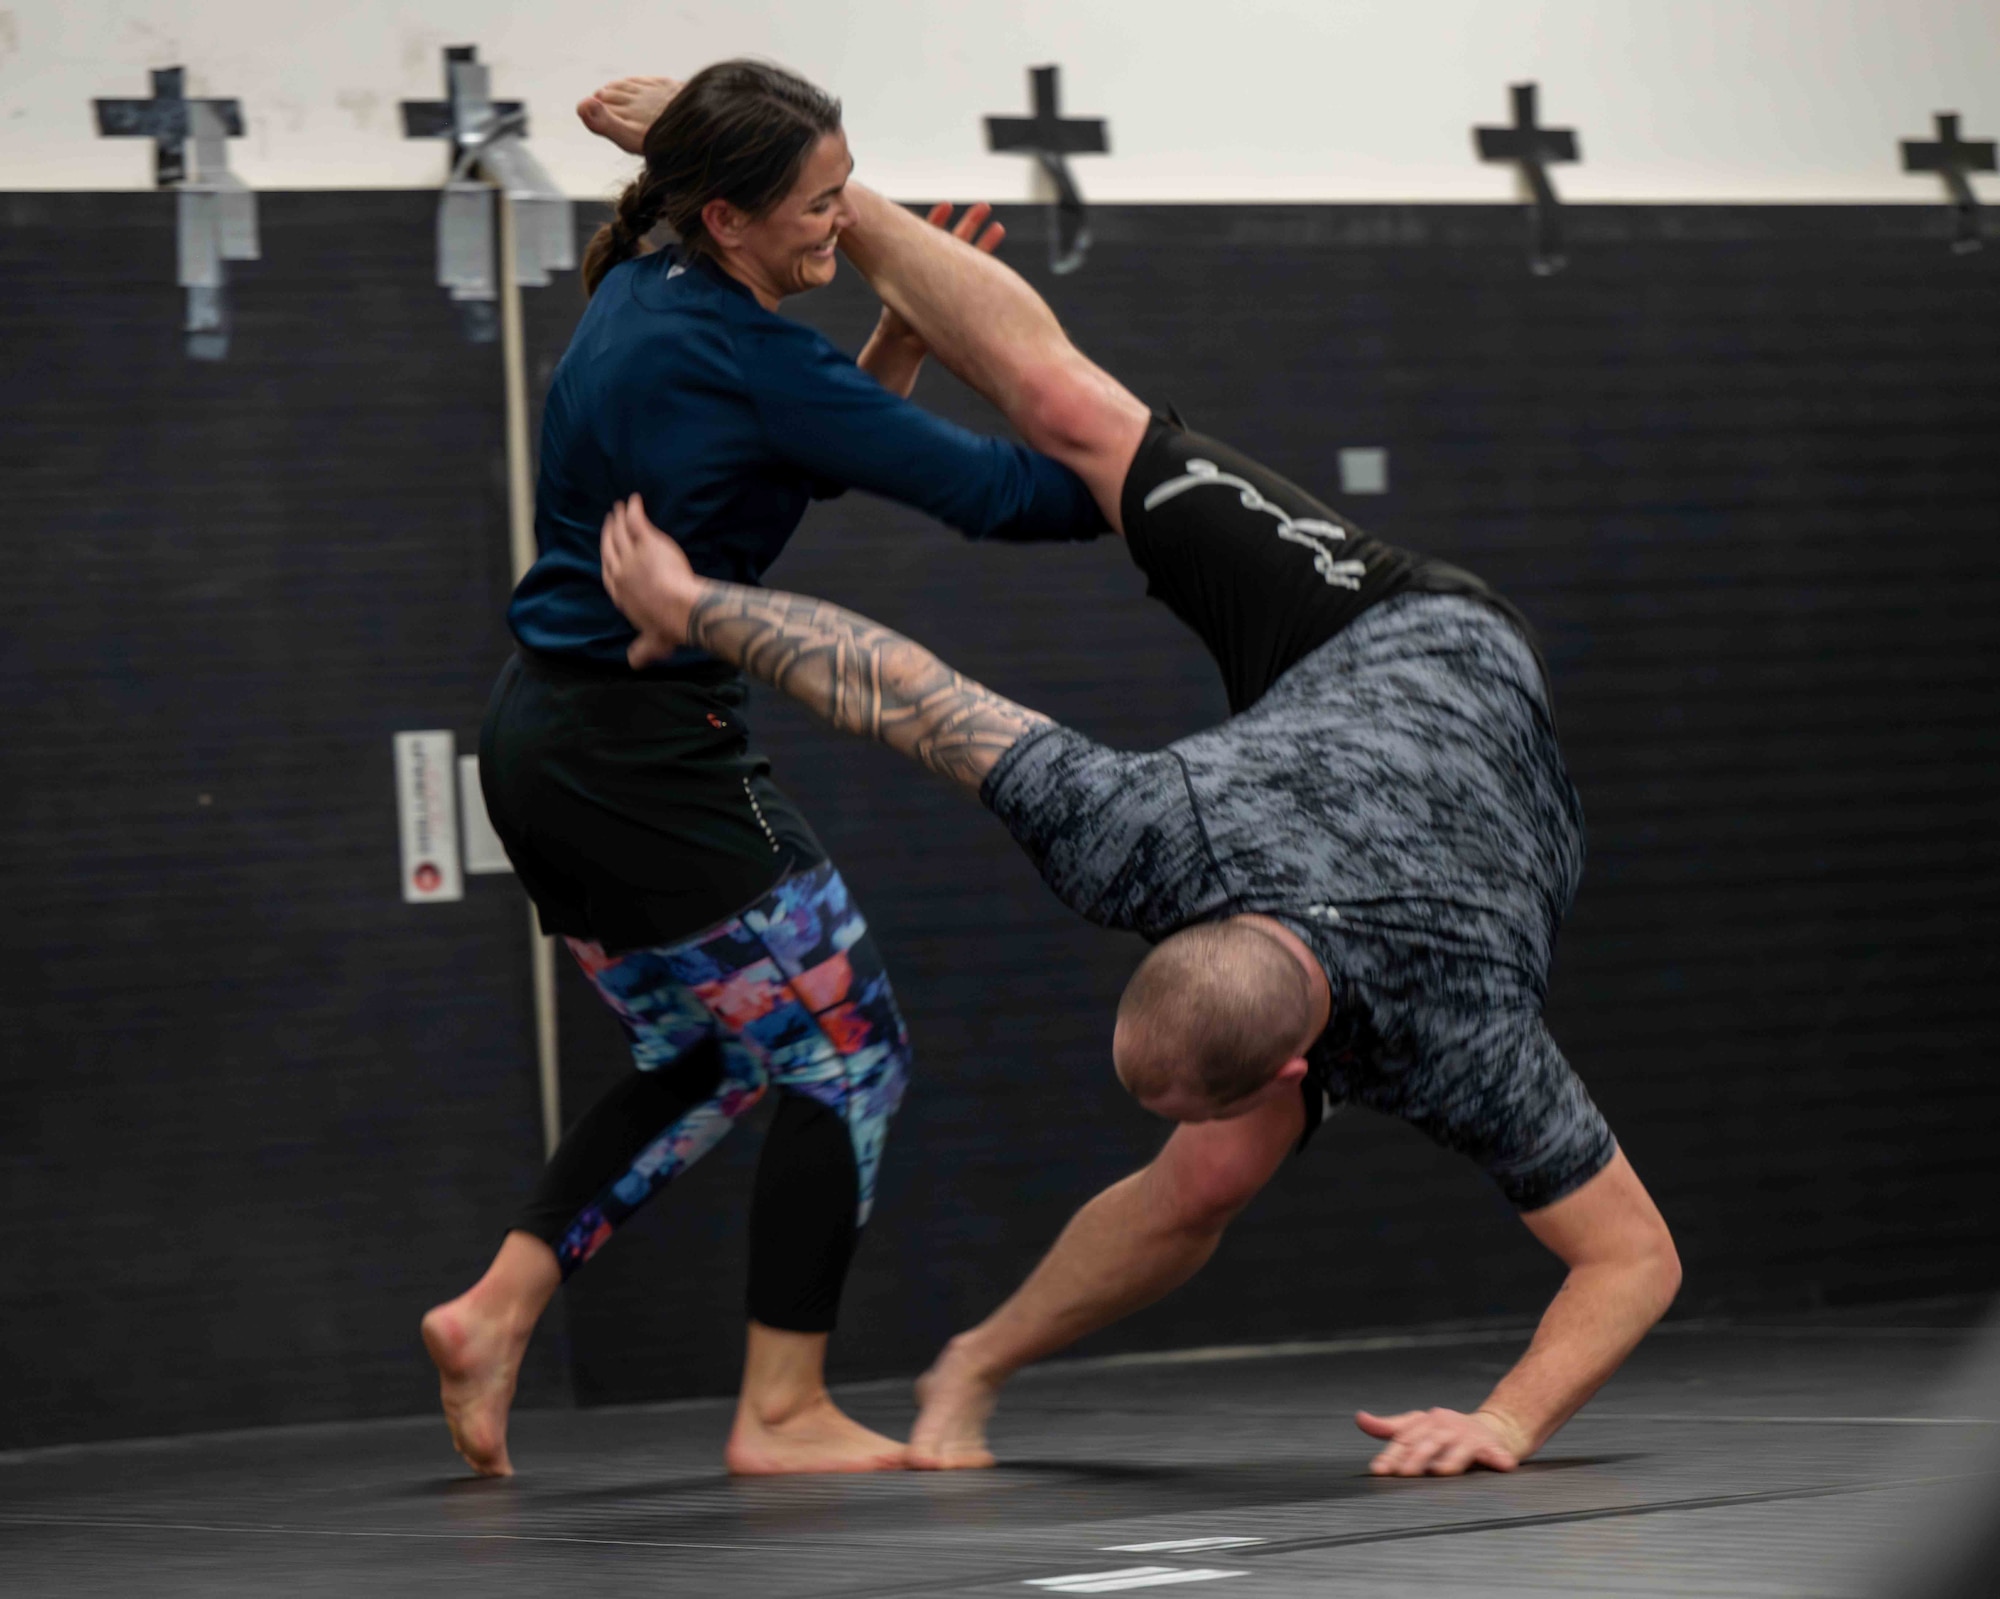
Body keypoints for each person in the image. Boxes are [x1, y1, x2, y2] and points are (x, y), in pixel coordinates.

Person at [593, 176, 1684, 1480]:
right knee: (1072, 420)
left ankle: (975, 1359)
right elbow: (914, 695)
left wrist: (1504, 1422)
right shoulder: (1143, 834)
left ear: (1300, 1074)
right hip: (1349, 678)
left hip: (1435, 684)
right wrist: (695, 602)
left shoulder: (1462, 1036)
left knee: (1206, 1178)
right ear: (1184, 930)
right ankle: (847, 207)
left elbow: (1637, 1259)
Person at [419, 61, 1105, 1480]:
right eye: (817, 206)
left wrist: (900, 339)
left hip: (547, 746)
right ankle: (781, 1407)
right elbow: (996, 494)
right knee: (854, 1052)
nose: (841, 225)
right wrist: (1145, 472)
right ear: (726, 217)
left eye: (846, 194)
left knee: (716, 1050)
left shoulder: (639, 295)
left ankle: (496, 1310)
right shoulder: (744, 350)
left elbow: (771, 468)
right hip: (645, 759)